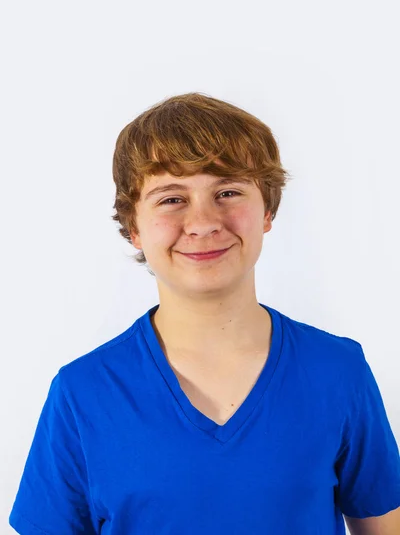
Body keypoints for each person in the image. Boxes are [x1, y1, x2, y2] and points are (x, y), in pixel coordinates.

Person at [9, 92, 400, 534]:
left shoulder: (337, 371)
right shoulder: (82, 394)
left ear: (268, 210)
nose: (203, 222)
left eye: (228, 192)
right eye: (171, 199)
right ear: (133, 226)